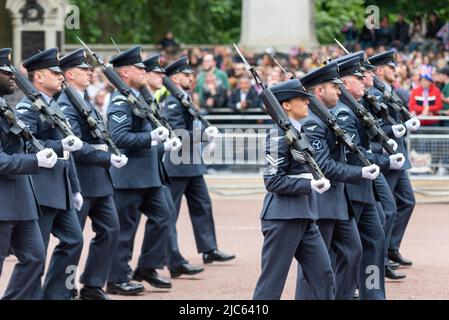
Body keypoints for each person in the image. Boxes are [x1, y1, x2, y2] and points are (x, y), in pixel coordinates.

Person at [253, 78, 335, 300]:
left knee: (324, 275)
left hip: (305, 214)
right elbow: (272, 181)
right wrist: (308, 182)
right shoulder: (277, 135)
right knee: (271, 283)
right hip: (282, 217)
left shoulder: (299, 132)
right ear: (286, 105)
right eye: (301, 99)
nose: (307, 103)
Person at [57, 48, 129, 300]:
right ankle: (64, 287)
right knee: (72, 241)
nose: (89, 72)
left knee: (110, 230)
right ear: (69, 74)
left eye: (89, 69)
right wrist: (107, 157)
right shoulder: (65, 103)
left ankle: (93, 284)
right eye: (83, 69)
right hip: (81, 179)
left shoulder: (85, 98)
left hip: (100, 179)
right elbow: (74, 145)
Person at [105, 46, 178, 295]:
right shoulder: (119, 100)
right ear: (124, 72)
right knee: (125, 230)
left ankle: (147, 266)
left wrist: (164, 139)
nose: (144, 71)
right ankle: (116, 278)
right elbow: (119, 137)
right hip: (128, 177)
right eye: (139, 68)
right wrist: (151, 138)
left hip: (149, 174)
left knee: (165, 216)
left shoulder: (142, 96)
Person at [295, 61, 369, 300]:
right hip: (322, 202)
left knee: (352, 251)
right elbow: (324, 166)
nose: (339, 91)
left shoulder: (326, 118)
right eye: (333, 87)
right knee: (315, 262)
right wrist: (360, 173)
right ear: (319, 91)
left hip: (338, 200)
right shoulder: (313, 123)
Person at [16, 48, 85, 300]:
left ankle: (56, 294)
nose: (60, 77)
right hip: (41, 189)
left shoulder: (53, 106)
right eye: (54, 73)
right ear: (38, 77)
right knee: (37, 251)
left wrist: (75, 187)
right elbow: (27, 145)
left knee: (74, 240)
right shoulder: (27, 107)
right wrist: (59, 145)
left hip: (61, 188)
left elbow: (69, 155)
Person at [163, 56, 235, 277]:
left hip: (192, 163)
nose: (190, 77)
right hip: (177, 164)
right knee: (169, 214)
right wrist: (204, 136)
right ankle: (172, 258)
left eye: (191, 74)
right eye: (186, 75)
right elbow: (178, 133)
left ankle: (208, 249)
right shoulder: (173, 101)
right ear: (175, 78)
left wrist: (205, 139)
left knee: (202, 205)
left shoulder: (185, 98)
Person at [0, 47, 58, 300]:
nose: (13, 75)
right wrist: (34, 161)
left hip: (21, 199)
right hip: (2, 201)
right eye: (5, 71)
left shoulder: (4, 105)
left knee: (35, 256)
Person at [368, 50, 419, 268]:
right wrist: (395, 129)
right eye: (391, 67)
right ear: (379, 70)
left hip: (399, 154)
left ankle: (391, 247)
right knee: (386, 208)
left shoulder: (390, 91)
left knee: (407, 201)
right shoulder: (374, 94)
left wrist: (405, 125)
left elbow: (400, 115)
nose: (395, 71)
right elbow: (374, 127)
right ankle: (381, 256)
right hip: (386, 156)